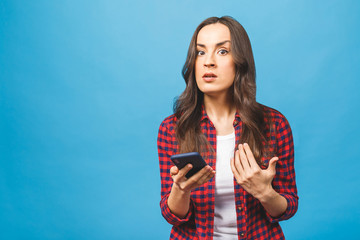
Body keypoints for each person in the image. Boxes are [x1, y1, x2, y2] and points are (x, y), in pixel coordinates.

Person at [157, 16, 298, 240]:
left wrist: (265, 192)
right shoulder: (172, 128)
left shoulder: (273, 124)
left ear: (240, 62)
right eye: (201, 52)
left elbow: (287, 208)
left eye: (222, 51)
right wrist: (181, 190)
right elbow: (172, 215)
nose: (208, 62)